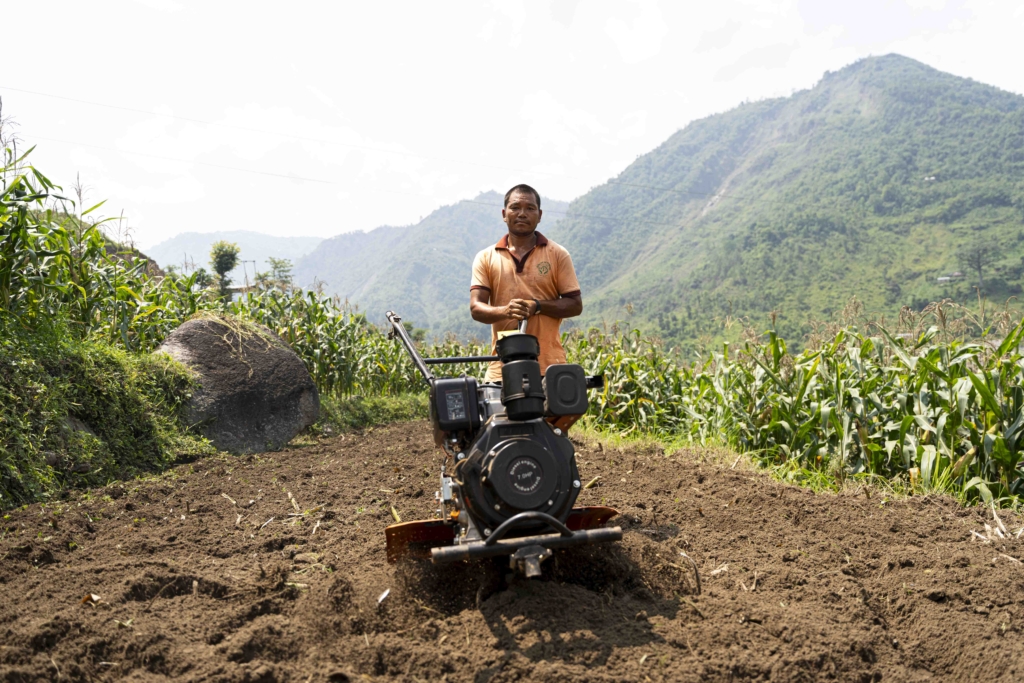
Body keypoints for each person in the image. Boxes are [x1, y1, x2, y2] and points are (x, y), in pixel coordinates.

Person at [470, 184, 583, 383]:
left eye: (530, 208)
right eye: (515, 207)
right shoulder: (486, 257)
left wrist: (537, 306)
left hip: (548, 367)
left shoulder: (557, 254)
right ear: (504, 214)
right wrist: (506, 311)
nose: (522, 213)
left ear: (539, 215)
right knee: (499, 415)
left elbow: (575, 305)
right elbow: (476, 308)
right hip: (501, 369)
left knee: (550, 415)